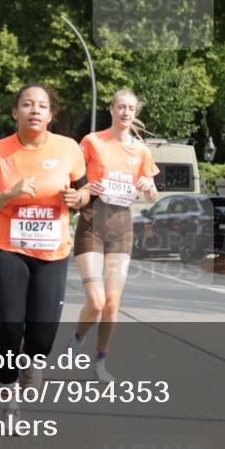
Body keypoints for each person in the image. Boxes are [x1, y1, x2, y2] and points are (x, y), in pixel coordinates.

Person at [0, 84, 88, 429]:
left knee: (41, 337)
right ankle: (9, 401)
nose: (34, 110)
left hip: (52, 253)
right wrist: (9, 193)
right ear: (15, 112)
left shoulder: (68, 148)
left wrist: (77, 200)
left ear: (50, 115)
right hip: (8, 250)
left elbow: (85, 192)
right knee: (10, 331)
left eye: (42, 106)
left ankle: (34, 360)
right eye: (27, 104)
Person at [67, 89, 159, 383]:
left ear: (136, 113)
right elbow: (73, 175)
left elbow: (152, 194)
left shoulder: (142, 151)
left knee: (112, 304)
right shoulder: (93, 141)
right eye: (121, 107)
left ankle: (101, 362)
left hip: (121, 228)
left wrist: (148, 187)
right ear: (111, 109)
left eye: (131, 108)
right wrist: (83, 189)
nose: (126, 112)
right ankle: (76, 339)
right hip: (93, 222)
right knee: (95, 301)